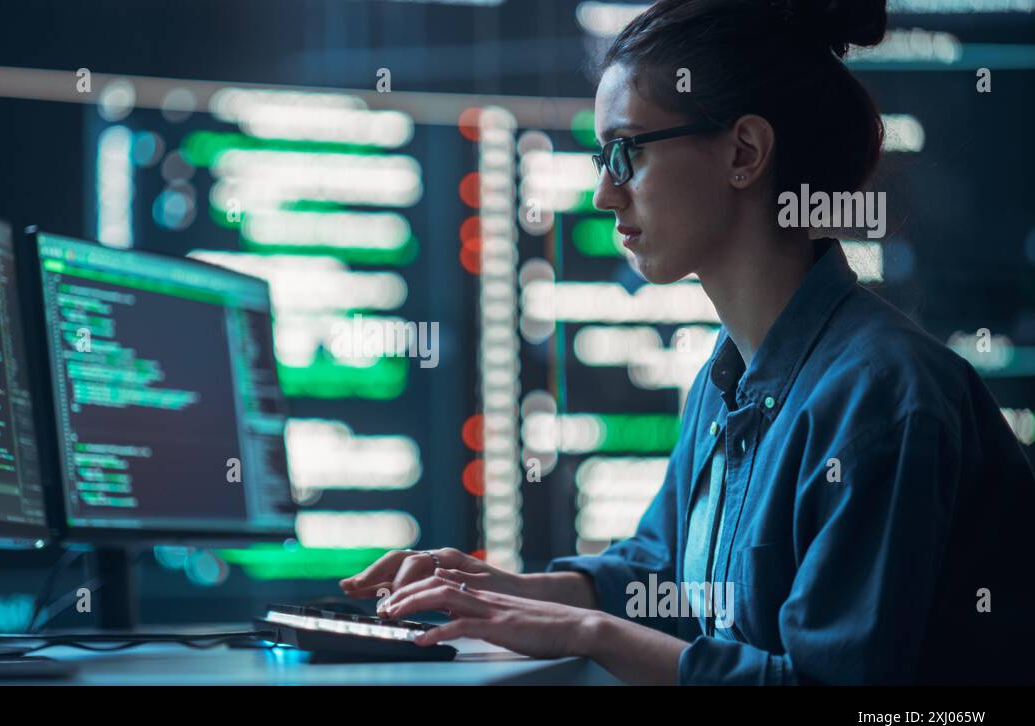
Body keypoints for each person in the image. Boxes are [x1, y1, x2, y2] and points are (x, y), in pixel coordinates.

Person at [339, 0, 1035, 685]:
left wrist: (589, 631)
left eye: (625, 152)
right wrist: (496, 587)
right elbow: (664, 575)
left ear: (744, 152)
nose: (605, 194)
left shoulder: (883, 397)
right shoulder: (729, 378)